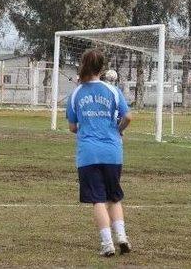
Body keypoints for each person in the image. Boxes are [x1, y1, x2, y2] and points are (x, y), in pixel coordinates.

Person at [66, 49, 132, 257]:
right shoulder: (113, 90)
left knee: (98, 200)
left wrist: (85, 127)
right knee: (114, 198)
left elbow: (72, 127)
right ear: (102, 68)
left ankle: (107, 244)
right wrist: (118, 130)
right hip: (112, 152)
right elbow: (128, 117)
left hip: (88, 155)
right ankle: (122, 237)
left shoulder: (76, 93)